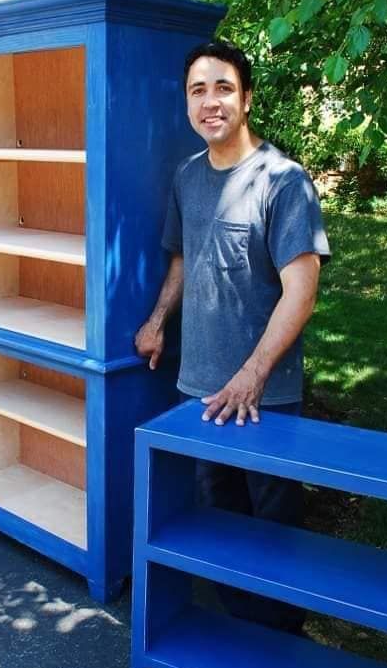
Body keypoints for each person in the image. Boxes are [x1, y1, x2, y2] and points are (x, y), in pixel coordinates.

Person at [134, 39, 330, 632]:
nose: (210, 101)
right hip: (197, 387)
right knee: (217, 522)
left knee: (272, 530)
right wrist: (157, 320)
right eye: (198, 90)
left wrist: (253, 373)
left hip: (264, 396)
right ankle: (237, 643)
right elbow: (183, 260)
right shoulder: (187, 176)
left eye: (223, 88)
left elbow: (302, 289)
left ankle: (280, 648)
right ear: (188, 103)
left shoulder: (283, 180)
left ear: (245, 99)